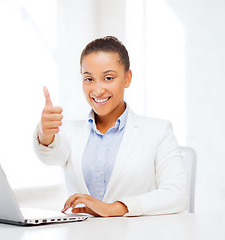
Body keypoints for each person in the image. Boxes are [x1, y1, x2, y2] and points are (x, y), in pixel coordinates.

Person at [33, 36, 188, 217]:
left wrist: (114, 208)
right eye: (89, 79)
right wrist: (45, 134)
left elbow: (178, 193)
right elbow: (52, 156)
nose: (98, 90)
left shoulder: (158, 131)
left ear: (127, 78)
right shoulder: (69, 131)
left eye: (108, 78)